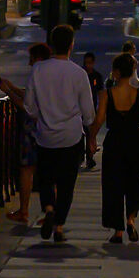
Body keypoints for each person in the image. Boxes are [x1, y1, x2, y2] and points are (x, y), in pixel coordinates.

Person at [27, 25, 95, 245]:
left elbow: (29, 106)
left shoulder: (38, 70)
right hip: (71, 137)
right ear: (71, 45)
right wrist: (89, 129)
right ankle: (59, 226)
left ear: (52, 44)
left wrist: (41, 116)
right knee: (67, 184)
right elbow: (88, 113)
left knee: (46, 177)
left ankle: (48, 208)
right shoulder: (79, 74)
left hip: (45, 135)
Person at [93, 51, 139, 244]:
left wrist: (91, 137)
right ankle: (131, 220)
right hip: (135, 142)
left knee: (114, 185)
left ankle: (118, 230)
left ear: (116, 72)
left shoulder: (106, 94)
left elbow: (100, 119)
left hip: (114, 143)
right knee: (134, 182)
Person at [1, 41, 50, 224]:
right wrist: (14, 88)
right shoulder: (49, 75)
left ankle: (24, 211)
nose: (29, 63)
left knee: (27, 169)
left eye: (31, 59)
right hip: (48, 125)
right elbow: (32, 97)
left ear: (36, 58)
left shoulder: (36, 73)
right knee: (46, 170)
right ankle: (49, 211)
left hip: (31, 128)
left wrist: (8, 93)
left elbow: (27, 106)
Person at [80, 51, 105, 169]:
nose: (88, 65)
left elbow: (100, 92)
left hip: (92, 108)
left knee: (90, 134)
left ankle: (89, 157)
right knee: (81, 134)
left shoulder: (97, 76)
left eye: (90, 63)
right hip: (79, 108)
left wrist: (100, 108)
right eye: (86, 63)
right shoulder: (80, 75)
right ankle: (80, 156)